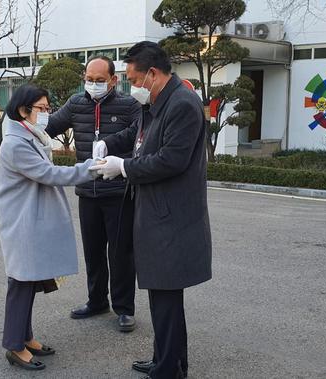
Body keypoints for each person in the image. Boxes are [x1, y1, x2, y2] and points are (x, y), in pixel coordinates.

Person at [90, 41, 212, 379]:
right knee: (163, 300)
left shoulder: (183, 104)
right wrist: (109, 145)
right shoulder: (159, 101)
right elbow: (136, 134)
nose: (132, 87)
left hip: (172, 221)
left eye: (133, 79)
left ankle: (169, 369)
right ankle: (167, 360)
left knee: (167, 300)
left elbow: (172, 160)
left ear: (153, 74)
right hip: (158, 216)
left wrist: (124, 167)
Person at [0, 84, 96, 371]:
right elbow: (48, 174)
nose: (46, 114)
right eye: (42, 108)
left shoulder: (28, 135)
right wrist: (91, 168)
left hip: (30, 218)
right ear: (23, 110)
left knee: (29, 280)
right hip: (22, 220)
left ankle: (24, 336)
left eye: (47, 108)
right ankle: (14, 346)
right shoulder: (15, 143)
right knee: (21, 282)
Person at [46, 55, 141, 332]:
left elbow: (141, 131)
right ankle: (97, 300)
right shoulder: (76, 103)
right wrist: (26, 119)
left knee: (121, 253)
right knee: (93, 251)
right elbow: (49, 127)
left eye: (100, 81)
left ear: (114, 80)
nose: (93, 85)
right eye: (89, 80)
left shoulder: (129, 105)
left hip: (118, 191)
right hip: (88, 191)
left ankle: (124, 309)